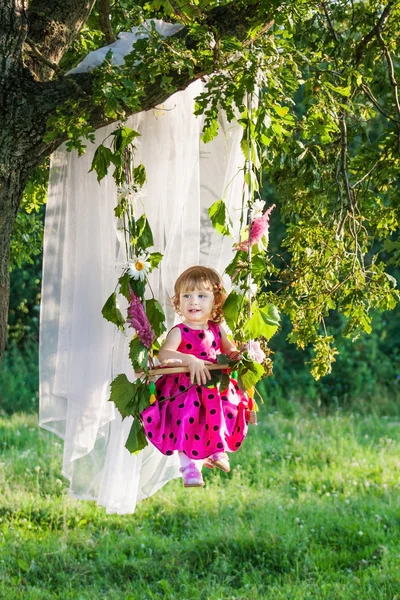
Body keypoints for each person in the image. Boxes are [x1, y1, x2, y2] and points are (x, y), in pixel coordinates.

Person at [141, 266, 250, 488]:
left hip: (211, 386)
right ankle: (189, 467)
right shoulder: (179, 331)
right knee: (186, 419)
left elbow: (230, 351)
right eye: (187, 296)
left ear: (215, 301)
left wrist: (245, 353)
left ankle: (216, 450)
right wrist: (189, 359)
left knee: (223, 409)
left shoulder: (217, 330)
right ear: (178, 302)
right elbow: (164, 353)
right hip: (185, 388)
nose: (194, 302)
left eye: (202, 296)